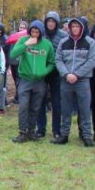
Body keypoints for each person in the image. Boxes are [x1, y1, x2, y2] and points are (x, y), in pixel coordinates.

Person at [52, 17, 95, 146]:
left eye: (77, 26)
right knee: (65, 109)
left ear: (82, 28)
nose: (75, 29)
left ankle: (87, 136)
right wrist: (66, 74)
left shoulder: (90, 42)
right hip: (66, 80)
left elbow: (91, 61)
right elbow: (58, 60)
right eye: (73, 26)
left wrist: (77, 74)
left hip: (82, 81)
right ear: (69, 28)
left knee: (85, 109)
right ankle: (64, 135)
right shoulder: (63, 42)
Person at [10, 21, 54, 143]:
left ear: (41, 32)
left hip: (39, 81)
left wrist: (45, 71)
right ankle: (22, 132)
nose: (34, 34)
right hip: (25, 79)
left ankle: (31, 131)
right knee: (23, 106)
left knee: (35, 107)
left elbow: (52, 62)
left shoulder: (47, 44)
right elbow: (13, 54)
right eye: (32, 31)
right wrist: (26, 44)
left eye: (37, 32)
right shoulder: (23, 40)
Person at [37, 11, 67, 139]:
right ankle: (41, 128)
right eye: (48, 21)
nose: (50, 24)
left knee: (56, 102)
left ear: (56, 23)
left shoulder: (63, 36)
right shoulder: (41, 34)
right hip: (42, 72)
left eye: (53, 21)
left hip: (57, 73)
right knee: (41, 101)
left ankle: (56, 129)